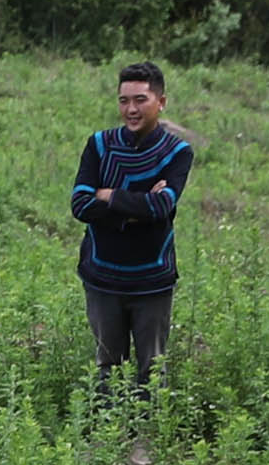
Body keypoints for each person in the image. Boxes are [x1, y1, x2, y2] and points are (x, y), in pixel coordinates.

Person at [68, 60, 192, 393]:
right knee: (107, 369)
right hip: (102, 277)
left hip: (152, 280)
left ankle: (147, 442)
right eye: (124, 100)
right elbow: (80, 204)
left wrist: (108, 196)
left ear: (161, 102)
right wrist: (138, 207)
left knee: (151, 370)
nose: (131, 109)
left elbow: (163, 205)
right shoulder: (99, 144)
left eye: (140, 100)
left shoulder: (178, 152)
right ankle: (108, 438)